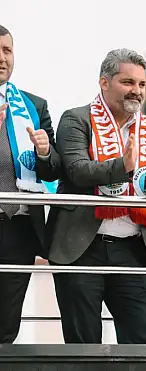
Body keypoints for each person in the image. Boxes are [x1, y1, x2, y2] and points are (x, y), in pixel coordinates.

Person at [49, 48, 146, 344]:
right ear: (104, 83)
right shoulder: (75, 119)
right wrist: (124, 167)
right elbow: (78, 170)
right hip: (83, 247)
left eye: (142, 84)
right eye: (128, 82)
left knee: (143, 338)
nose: (137, 91)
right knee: (83, 343)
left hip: (135, 249)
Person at [0, 24, 61, 343]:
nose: (2, 58)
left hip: (19, 228)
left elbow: (52, 172)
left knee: (7, 324)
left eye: (7, 50)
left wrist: (44, 151)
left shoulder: (34, 106)